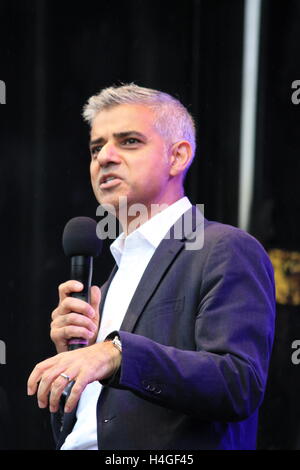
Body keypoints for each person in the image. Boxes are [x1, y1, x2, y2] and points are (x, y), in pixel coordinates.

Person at [27, 84, 275, 450]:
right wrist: (72, 360)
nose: (104, 157)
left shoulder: (223, 248)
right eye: (96, 147)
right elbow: (90, 426)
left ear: (178, 156)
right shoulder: (112, 275)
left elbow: (238, 383)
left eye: (128, 141)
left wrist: (115, 354)